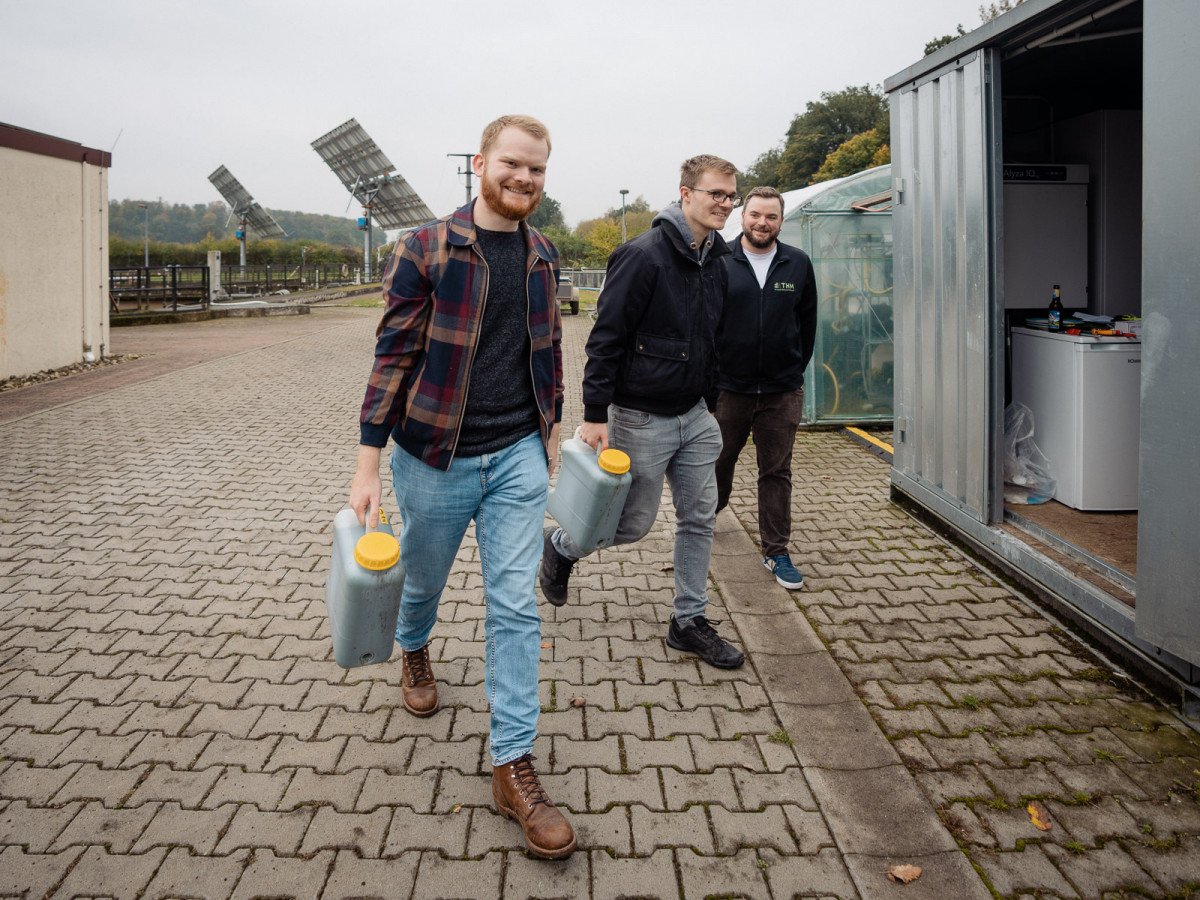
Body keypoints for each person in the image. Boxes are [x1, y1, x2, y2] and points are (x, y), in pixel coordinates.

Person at [349, 115, 575, 860]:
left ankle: (512, 766)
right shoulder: (427, 246)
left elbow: (549, 348)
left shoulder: (543, 253)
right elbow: (394, 355)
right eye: (513, 164)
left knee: (513, 603)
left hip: (514, 455)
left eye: (537, 169)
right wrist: (367, 463)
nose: (525, 179)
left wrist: (548, 431)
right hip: (434, 455)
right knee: (423, 581)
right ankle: (413, 647)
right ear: (481, 163)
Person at [539, 154, 745, 670]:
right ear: (686, 194)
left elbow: (715, 338)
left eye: (731, 195)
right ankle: (562, 547)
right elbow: (605, 340)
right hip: (640, 417)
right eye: (716, 193)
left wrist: (711, 403)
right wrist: (594, 414)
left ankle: (688, 621)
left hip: (695, 415)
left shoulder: (719, 258)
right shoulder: (642, 255)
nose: (726, 203)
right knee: (628, 526)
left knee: (700, 517)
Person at [713, 186, 818, 590]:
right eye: (755, 214)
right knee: (718, 462)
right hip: (728, 389)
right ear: (743, 216)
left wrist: (791, 368)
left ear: (781, 221)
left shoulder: (797, 263)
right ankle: (711, 514)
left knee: (776, 471)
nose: (762, 222)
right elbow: (707, 323)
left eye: (771, 216)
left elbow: (807, 325)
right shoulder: (720, 260)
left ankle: (776, 551)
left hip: (781, 391)